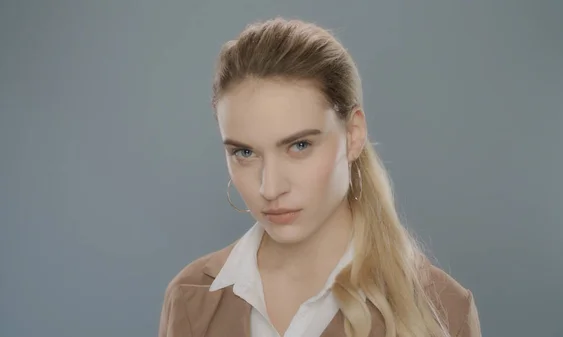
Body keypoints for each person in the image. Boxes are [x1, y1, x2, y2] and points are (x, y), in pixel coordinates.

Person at [158, 17, 481, 337]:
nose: (269, 188)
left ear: (353, 134)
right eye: (245, 153)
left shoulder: (442, 309)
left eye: (299, 146)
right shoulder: (191, 297)